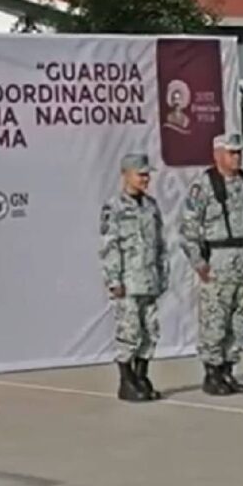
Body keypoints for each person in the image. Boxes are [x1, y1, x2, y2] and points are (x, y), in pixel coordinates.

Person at [179, 133, 243, 396]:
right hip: (218, 261)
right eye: (231, 153)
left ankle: (228, 369)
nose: (237, 157)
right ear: (217, 155)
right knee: (215, 319)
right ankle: (212, 373)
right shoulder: (204, 186)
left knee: (240, 320)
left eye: (239, 152)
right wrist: (198, 262)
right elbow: (188, 228)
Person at [98, 152, 169, 402]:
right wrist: (114, 280)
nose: (146, 179)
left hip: (149, 279)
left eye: (147, 174)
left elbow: (160, 243)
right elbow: (109, 246)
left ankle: (142, 376)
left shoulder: (151, 206)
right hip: (128, 282)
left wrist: (163, 274)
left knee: (150, 331)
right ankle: (126, 381)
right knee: (129, 332)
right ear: (126, 175)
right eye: (141, 174)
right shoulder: (114, 207)